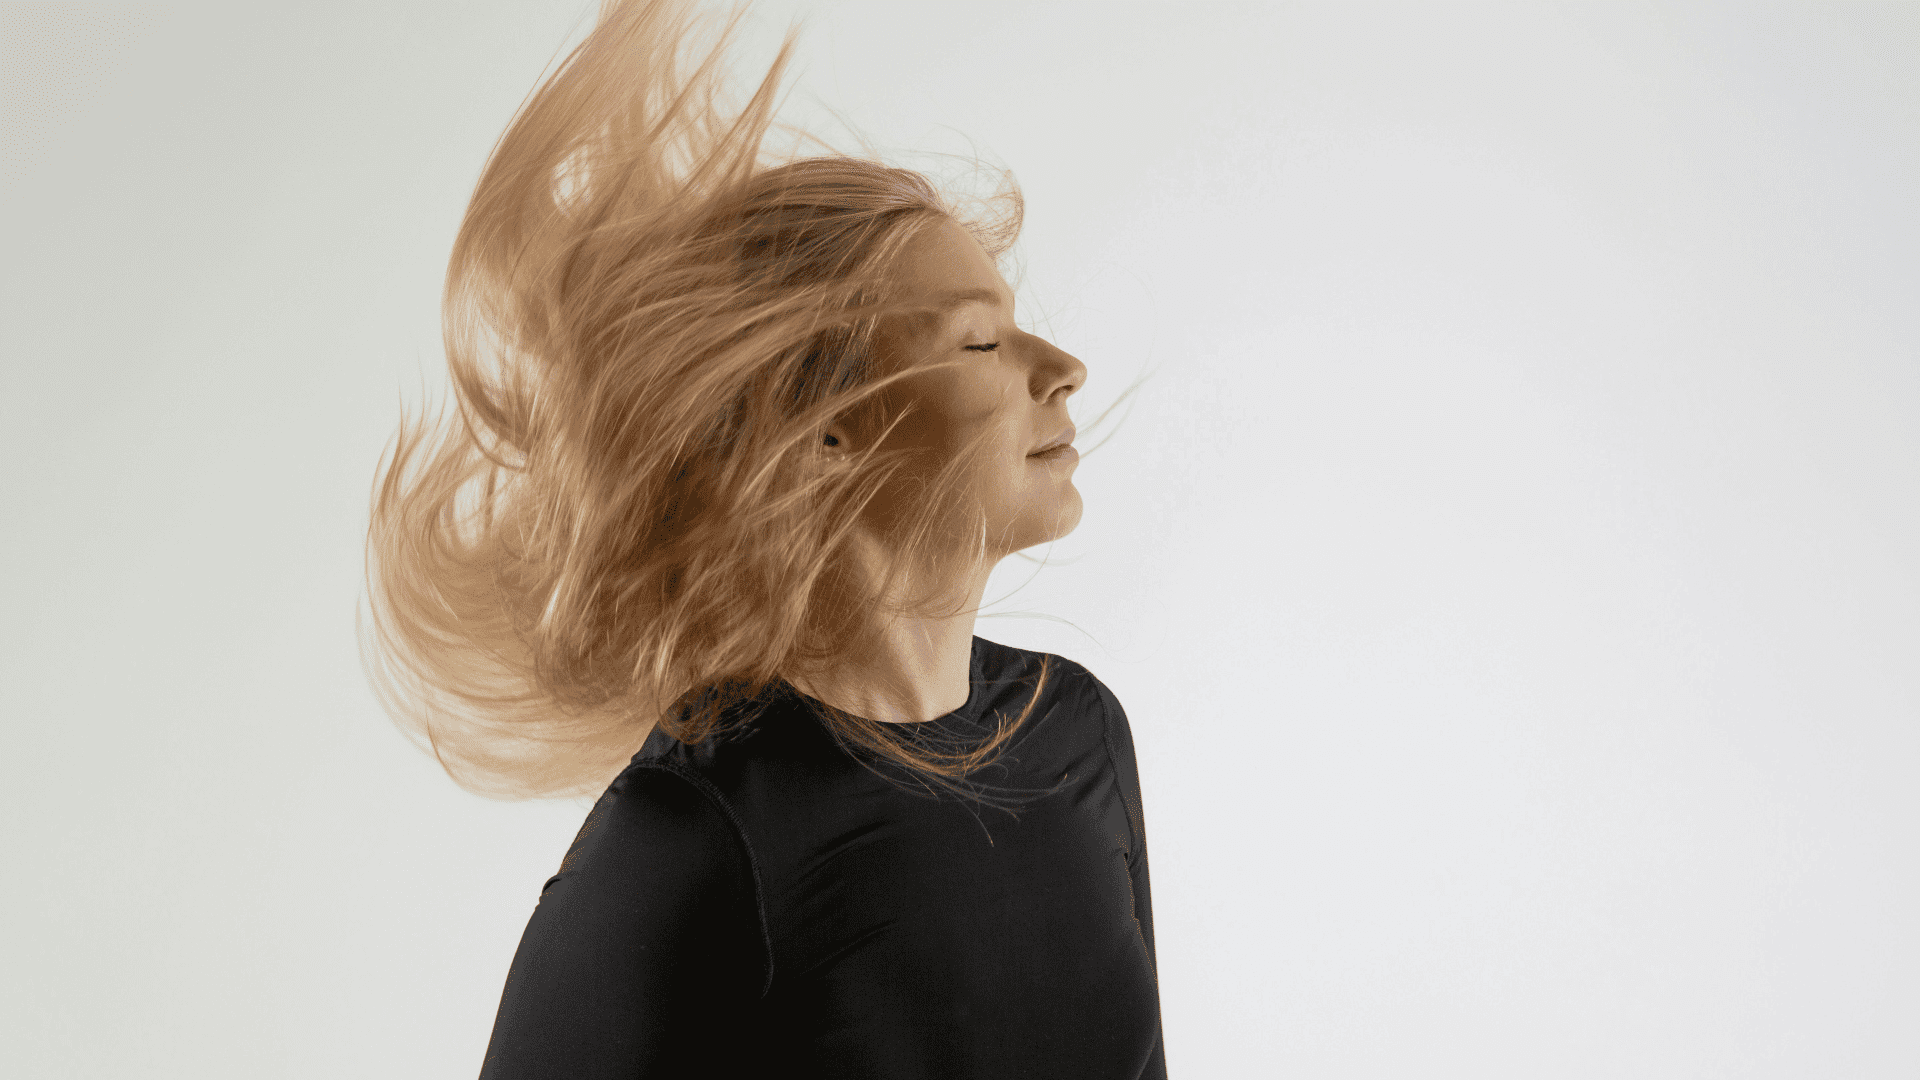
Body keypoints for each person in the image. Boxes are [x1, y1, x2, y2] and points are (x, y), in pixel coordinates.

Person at [361, 1, 1164, 1075]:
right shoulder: (691, 837)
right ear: (823, 426)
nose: (1060, 365)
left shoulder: (1079, 733)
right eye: (979, 339)